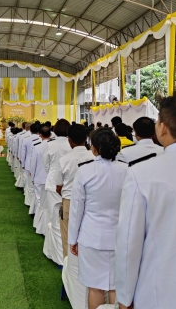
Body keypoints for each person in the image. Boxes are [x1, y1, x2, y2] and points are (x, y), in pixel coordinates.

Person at [116, 92, 176, 309]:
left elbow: (128, 244)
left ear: (162, 128)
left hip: (159, 291)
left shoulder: (141, 174)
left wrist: (124, 297)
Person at [69, 128, 126, 309]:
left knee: (95, 287)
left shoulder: (85, 171)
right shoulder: (128, 171)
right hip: (121, 236)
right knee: (118, 286)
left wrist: (73, 239)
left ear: (94, 148)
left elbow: (77, 210)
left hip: (91, 236)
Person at [54, 124, 94, 258]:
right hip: (91, 201)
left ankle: (68, 269)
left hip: (69, 201)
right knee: (88, 235)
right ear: (86, 138)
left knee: (67, 237)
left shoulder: (64, 160)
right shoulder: (94, 158)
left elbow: (58, 187)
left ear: (69, 140)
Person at [43, 119, 71, 226]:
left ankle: (54, 241)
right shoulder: (72, 144)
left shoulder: (50, 144)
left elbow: (46, 165)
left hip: (53, 182)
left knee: (53, 216)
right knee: (68, 218)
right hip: (69, 183)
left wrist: (53, 173)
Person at [30, 126, 51, 219]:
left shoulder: (37, 147)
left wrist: (32, 178)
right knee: (50, 201)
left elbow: (33, 164)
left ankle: (40, 220)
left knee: (39, 199)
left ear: (40, 135)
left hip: (39, 176)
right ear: (50, 135)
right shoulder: (53, 146)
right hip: (51, 178)